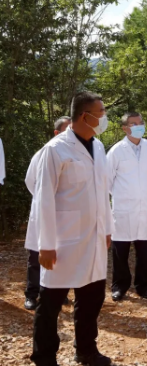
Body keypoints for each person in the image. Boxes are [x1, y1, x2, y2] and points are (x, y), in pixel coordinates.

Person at [30, 92, 114, 366]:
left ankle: (86, 350)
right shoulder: (55, 150)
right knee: (51, 302)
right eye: (100, 113)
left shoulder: (98, 146)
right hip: (64, 239)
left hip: (94, 237)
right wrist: (46, 244)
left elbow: (103, 192)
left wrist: (107, 229)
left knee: (91, 298)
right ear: (84, 116)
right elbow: (43, 198)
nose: (104, 118)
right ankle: (44, 357)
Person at [24, 116, 71, 311]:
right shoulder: (45, 152)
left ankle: (59, 294)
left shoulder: (75, 153)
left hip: (64, 215)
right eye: (67, 130)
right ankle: (31, 294)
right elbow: (30, 180)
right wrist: (44, 201)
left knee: (62, 257)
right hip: (43, 213)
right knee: (36, 256)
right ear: (56, 133)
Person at [107, 112, 147, 301]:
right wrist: (124, 195)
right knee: (121, 250)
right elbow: (107, 181)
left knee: (144, 251)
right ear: (125, 128)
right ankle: (120, 286)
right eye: (134, 123)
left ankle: (143, 285)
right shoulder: (116, 151)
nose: (139, 126)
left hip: (146, 209)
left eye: (141, 122)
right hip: (123, 209)